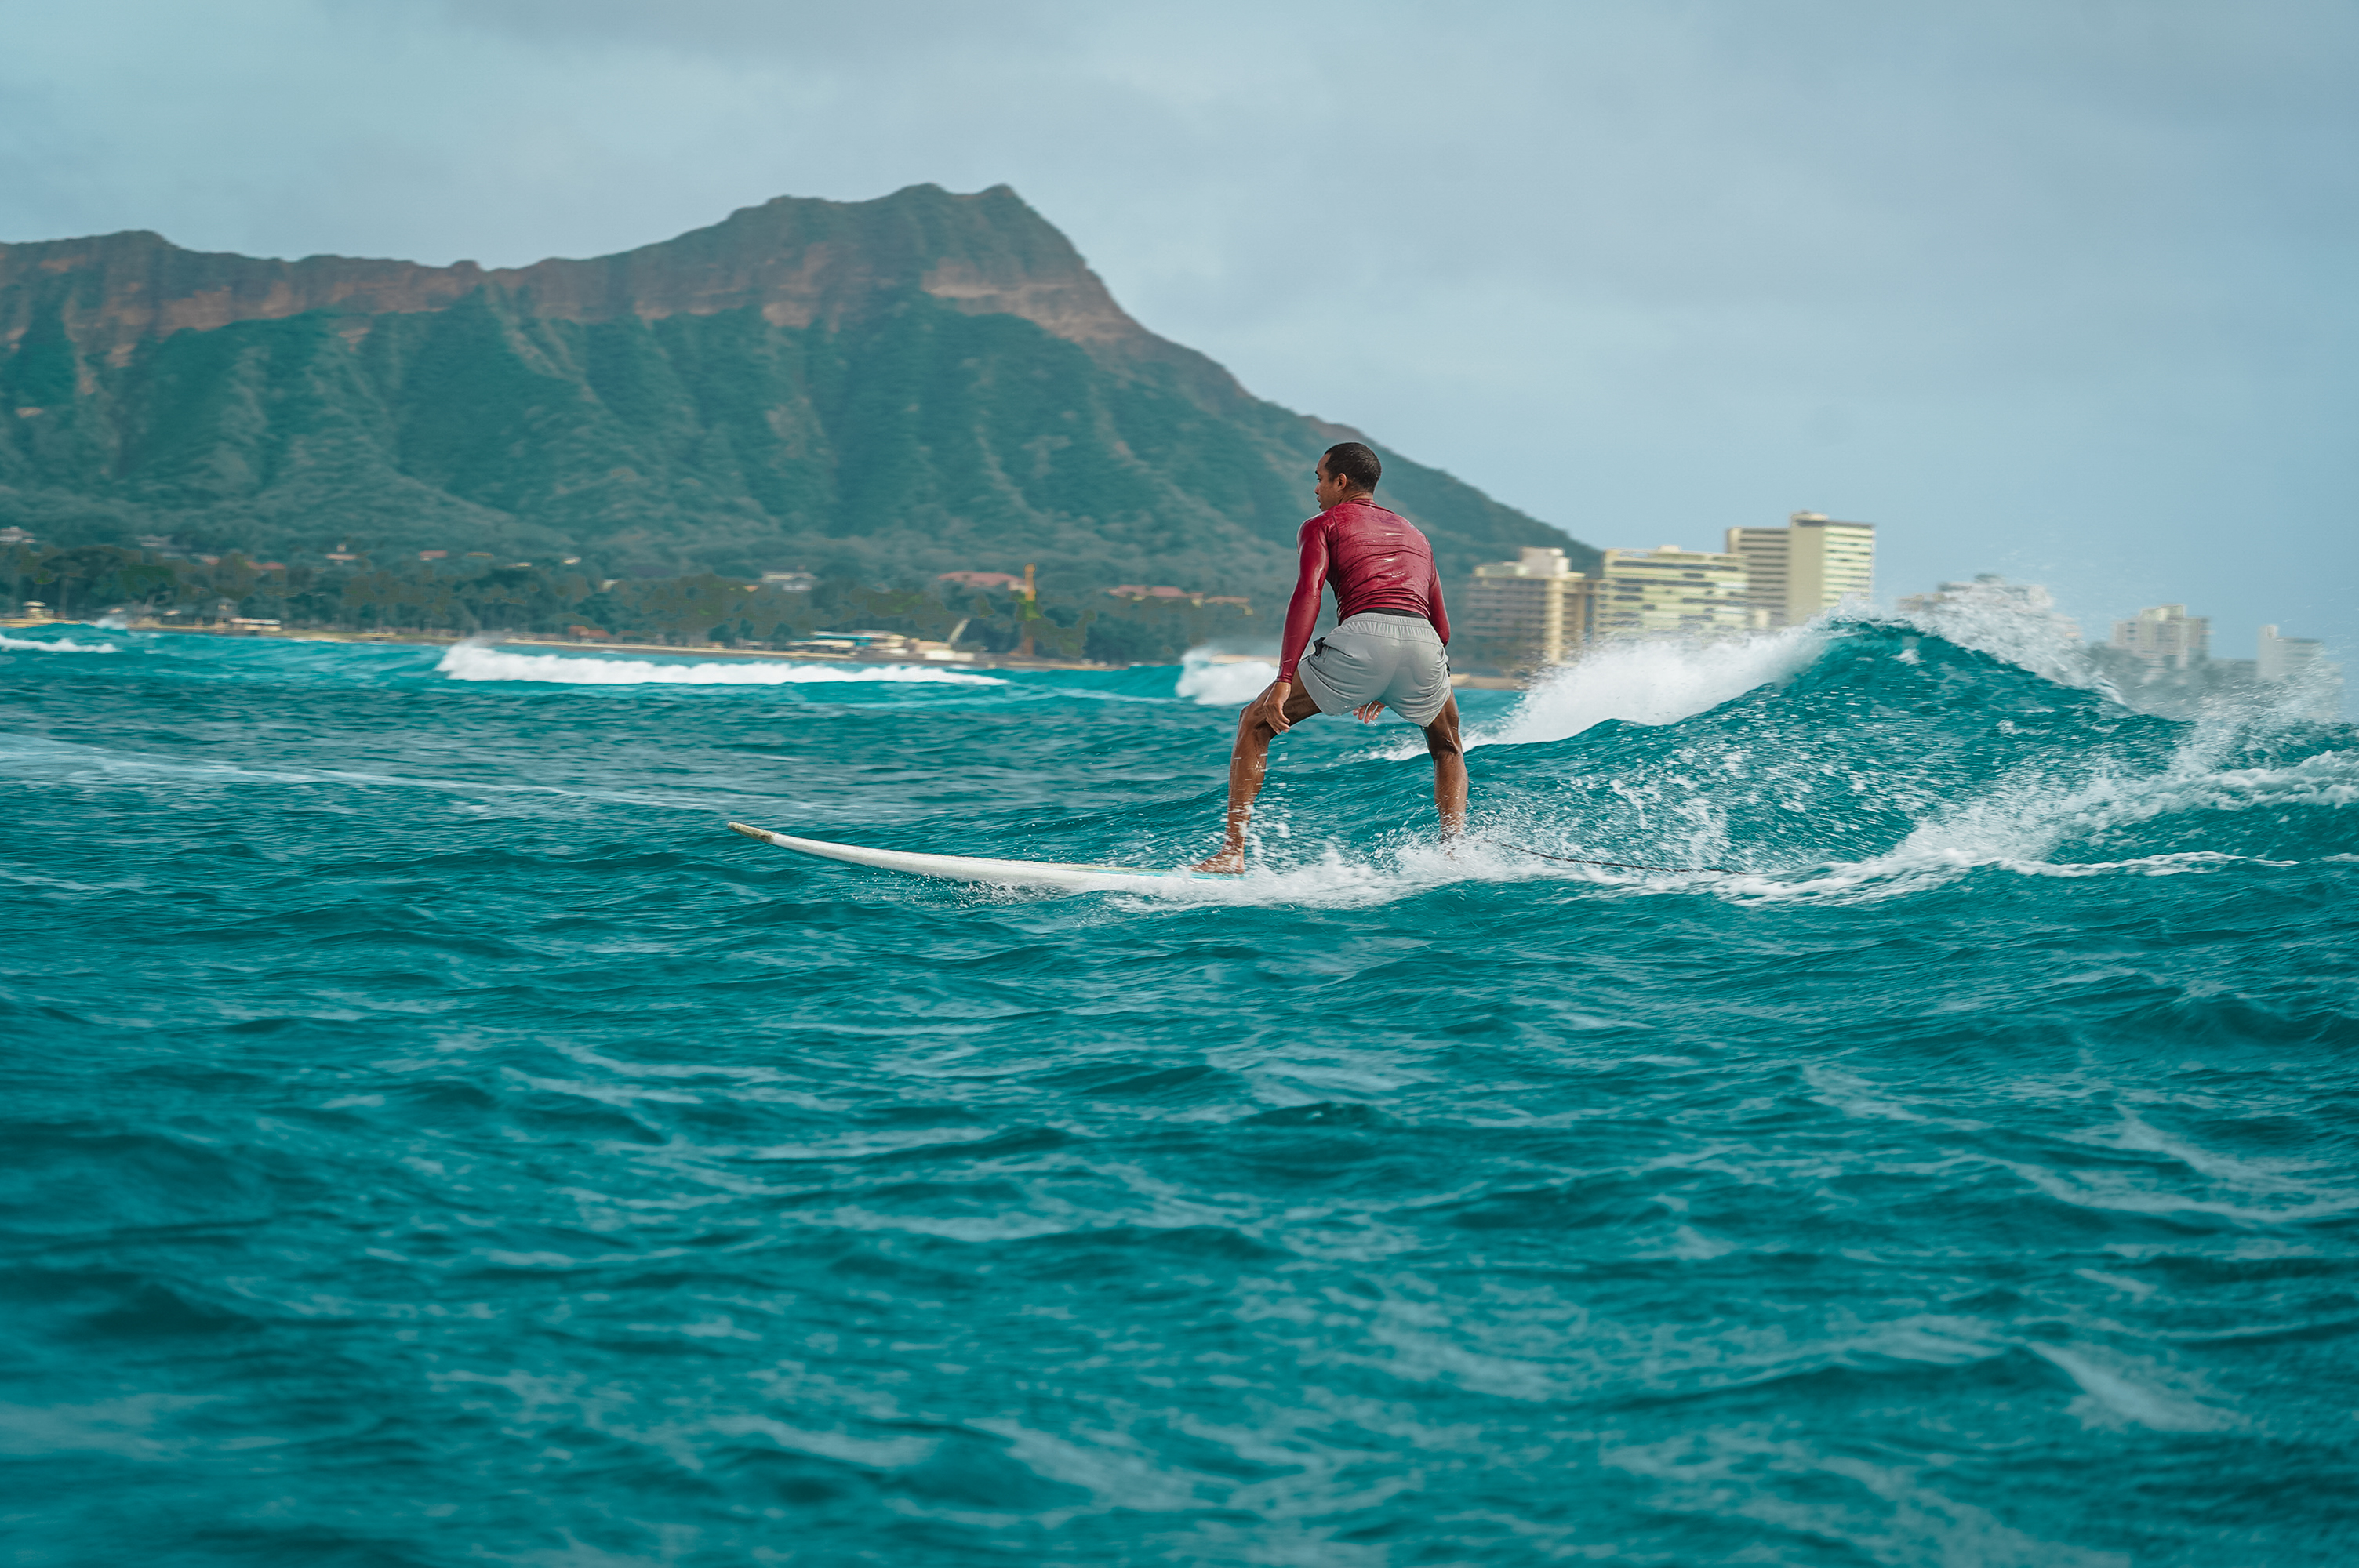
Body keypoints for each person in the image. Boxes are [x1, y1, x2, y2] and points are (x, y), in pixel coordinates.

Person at [1194, 441, 1466, 873]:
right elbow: (1443, 628)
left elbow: (1308, 594)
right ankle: (1454, 854)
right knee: (1448, 748)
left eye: (1319, 478)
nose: (1315, 489)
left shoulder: (1323, 524)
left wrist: (1284, 677)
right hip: (1425, 644)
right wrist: (1392, 682)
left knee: (1255, 721)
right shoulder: (1417, 535)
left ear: (1340, 481)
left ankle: (1232, 852)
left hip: (1364, 635)